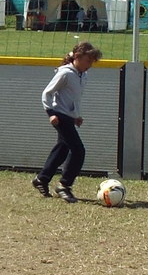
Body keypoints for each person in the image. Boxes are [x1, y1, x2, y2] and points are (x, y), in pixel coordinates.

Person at [30, 41, 102, 204]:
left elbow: (73, 97)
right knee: (78, 150)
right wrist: (51, 113)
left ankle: (42, 179)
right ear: (77, 57)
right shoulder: (65, 74)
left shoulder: (82, 75)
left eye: (92, 62)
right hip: (60, 117)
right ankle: (64, 185)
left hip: (69, 117)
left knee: (62, 149)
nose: (90, 65)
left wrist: (76, 115)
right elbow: (47, 93)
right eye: (88, 61)